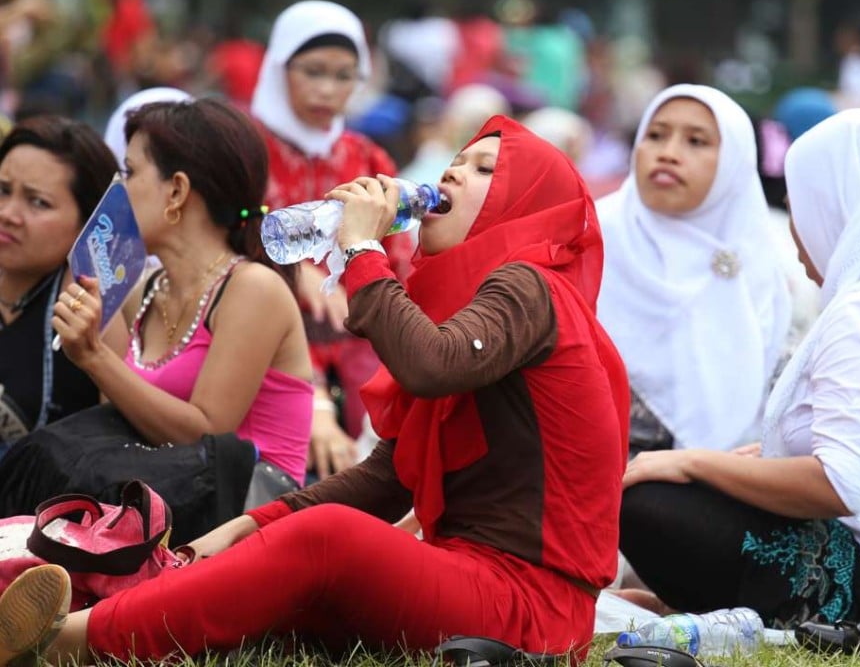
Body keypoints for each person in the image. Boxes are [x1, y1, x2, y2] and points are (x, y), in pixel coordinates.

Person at [0, 116, 630, 665]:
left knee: (326, 540)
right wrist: (246, 527)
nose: (454, 175)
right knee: (265, 575)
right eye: (456, 160)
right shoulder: (473, 310)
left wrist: (359, 246)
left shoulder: (533, 287)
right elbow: (388, 477)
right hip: (472, 583)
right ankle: (49, 602)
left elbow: (430, 366)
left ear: (526, 206)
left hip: (531, 611)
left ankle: (62, 643)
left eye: (485, 168)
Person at [618, 109, 860, 625]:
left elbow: (843, 484)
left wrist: (693, 462)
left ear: (836, 206)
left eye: (799, 208)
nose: (797, 232)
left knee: (650, 501)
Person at [0, 99, 313, 510]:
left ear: (177, 190)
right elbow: (115, 433)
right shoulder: (144, 289)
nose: (117, 189)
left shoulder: (253, 289)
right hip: (169, 518)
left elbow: (206, 434)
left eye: (130, 172)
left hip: (247, 525)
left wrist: (94, 356)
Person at [250, 0, 410, 478]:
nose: (327, 89)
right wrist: (288, 267)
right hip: (264, 343)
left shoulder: (367, 158)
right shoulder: (245, 148)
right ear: (280, 67)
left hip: (358, 343)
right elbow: (228, 227)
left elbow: (398, 259)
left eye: (345, 76)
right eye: (313, 71)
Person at [597, 84, 791, 455]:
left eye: (697, 142)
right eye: (655, 136)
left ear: (735, 161)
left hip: (723, 482)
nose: (668, 154)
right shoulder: (589, 236)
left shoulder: (759, 256)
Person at [0, 116, 123, 453]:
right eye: (3, 190)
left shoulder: (99, 310)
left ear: (88, 222)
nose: (9, 213)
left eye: (38, 202)